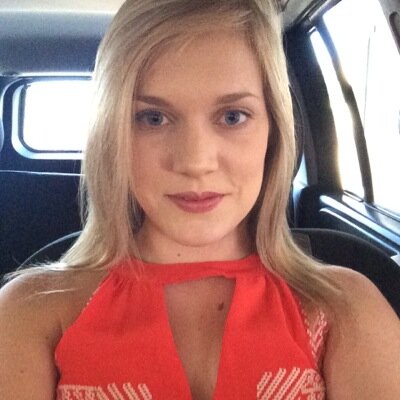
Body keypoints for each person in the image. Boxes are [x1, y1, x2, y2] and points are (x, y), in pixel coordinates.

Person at [0, 0, 399, 399]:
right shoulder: (31, 312)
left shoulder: (345, 307)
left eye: (232, 116)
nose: (195, 162)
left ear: (274, 131)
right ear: (112, 135)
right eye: (153, 118)